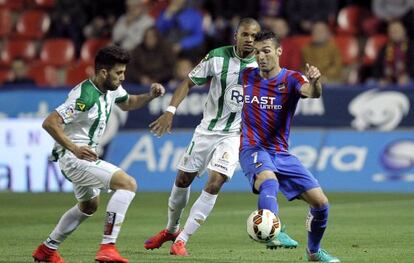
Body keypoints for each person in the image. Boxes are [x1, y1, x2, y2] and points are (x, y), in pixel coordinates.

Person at [145, 18, 297, 257]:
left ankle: (182, 240)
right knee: (183, 180)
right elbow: (188, 82)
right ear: (235, 35)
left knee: (216, 181)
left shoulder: (261, 65)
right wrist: (170, 111)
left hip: (235, 135)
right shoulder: (217, 57)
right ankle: (171, 229)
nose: (249, 40)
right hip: (206, 131)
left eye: (254, 36)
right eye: (245, 35)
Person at [32, 46, 165, 263]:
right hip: (74, 157)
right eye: (118, 73)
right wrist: (74, 148)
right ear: (103, 72)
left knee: (89, 206)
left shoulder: (111, 89)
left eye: (123, 72)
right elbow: (50, 122)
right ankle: (108, 247)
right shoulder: (84, 96)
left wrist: (150, 95)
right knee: (127, 184)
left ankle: (47, 250)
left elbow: (129, 103)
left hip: (85, 156)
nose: (122, 77)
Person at [239, 31, 340, 262]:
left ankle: (313, 252)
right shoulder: (245, 76)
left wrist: (315, 82)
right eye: (257, 52)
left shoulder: (292, 79)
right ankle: (273, 230)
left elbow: (311, 93)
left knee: (321, 203)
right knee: (268, 180)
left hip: (281, 153)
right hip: (252, 148)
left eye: (266, 51)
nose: (261, 56)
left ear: (278, 51)